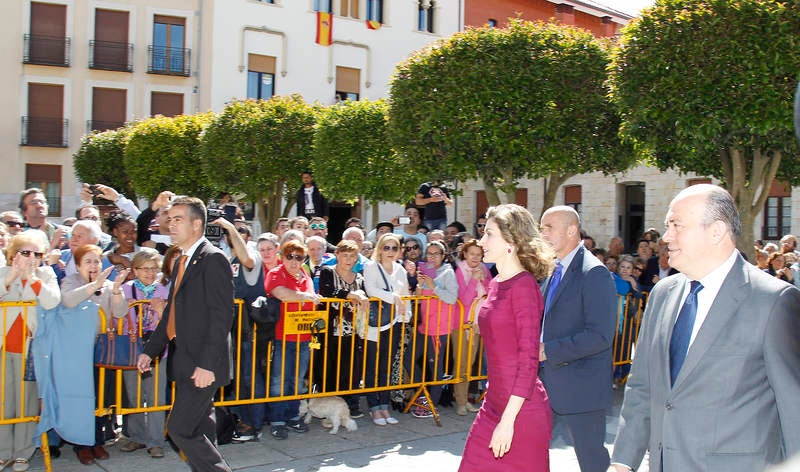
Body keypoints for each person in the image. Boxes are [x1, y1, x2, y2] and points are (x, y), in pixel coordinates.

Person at [610, 184, 800, 472]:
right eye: (667, 226)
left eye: (677, 225)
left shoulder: (773, 301)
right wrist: (623, 462)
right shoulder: (663, 294)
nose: (666, 237)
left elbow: (794, 410)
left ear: (716, 231)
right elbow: (642, 388)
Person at [136, 196, 234, 472]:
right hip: (185, 359)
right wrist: (150, 350)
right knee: (202, 427)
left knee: (179, 428)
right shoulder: (182, 260)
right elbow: (171, 315)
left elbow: (222, 316)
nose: (171, 224)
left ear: (196, 224)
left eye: (178, 219)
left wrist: (206, 364)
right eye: (170, 219)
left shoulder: (213, 259)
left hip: (203, 363)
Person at [459, 204, 553, 471]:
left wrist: (508, 421)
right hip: (494, 403)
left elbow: (528, 360)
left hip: (521, 411)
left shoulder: (524, 287)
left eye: (489, 234)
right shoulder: (498, 281)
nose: (481, 241)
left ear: (510, 241)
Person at [539, 205, 617, 472]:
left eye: (549, 227)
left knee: (592, 461)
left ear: (572, 230)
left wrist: (548, 350)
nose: (543, 233)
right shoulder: (551, 269)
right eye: (541, 227)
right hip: (544, 383)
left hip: (581, 388)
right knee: (530, 454)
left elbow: (601, 336)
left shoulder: (594, 272)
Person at [61, 244, 129, 465]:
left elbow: (120, 313)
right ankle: (82, 444)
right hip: (77, 350)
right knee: (82, 398)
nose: (93, 265)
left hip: (102, 349)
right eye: (88, 261)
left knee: (102, 396)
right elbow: (68, 300)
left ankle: (98, 440)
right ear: (78, 264)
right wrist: (93, 286)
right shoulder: (70, 281)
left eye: (97, 261)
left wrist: (116, 290)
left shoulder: (108, 285)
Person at [0, 231, 60, 472]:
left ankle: (23, 452)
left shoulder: (45, 274)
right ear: (13, 254)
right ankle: (3, 452)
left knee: (26, 402)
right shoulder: (4, 272)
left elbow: (52, 300)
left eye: (38, 253)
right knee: (4, 402)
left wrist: (32, 278)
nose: (32, 257)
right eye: (26, 252)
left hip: (31, 349)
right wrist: (13, 276)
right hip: (5, 347)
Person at [265, 240, 320, 440]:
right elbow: (282, 294)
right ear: (283, 256)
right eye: (290, 256)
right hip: (282, 337)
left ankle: (293, 415)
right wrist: (306, 296)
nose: (294, 261)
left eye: (299, 257)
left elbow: (312, 302)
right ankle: (277, 420)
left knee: (297, 381)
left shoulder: (305, 274)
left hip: (304, 337)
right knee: (279, 380)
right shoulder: (275, 273)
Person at [118, 249, 168, 459]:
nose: (149, 273)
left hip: (157, 349)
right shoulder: (125, 289)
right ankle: (136, 436)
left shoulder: (163, 290)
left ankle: (156, 441)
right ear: (135, 270)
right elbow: (116, 316)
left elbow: (170, 320)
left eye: (153, 269)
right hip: (132, 348)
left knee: (156, 395)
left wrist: (159, 310)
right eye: (144, 268)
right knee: (134, 394)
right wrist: (123, 306)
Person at [317, 240, 370, 417]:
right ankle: (328, 407)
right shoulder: (327, 271)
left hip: (353, 332)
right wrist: (349, 294)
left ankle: (350, 406)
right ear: (337, 255)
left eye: (352, 256)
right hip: (330, 332)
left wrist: (361, 295)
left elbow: (366, 297)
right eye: (345, 255)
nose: (348, 259)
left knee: (351, 370)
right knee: (328, 369)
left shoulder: (360, 278)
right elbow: (327, 291)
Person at [363, 233, 409, 426]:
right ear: (379, 248)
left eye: (394, 248)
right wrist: (394, 298)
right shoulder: (371, 267)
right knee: (372, 366)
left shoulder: (400, 270)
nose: (390, 252)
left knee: (387, 367)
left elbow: (406, 294)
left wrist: (407, 316)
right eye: (386, 247)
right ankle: (374, 407)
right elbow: (371, 290)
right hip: (375, 324)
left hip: (395, 323)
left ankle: (384, 405)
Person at [409, 240, 459, 419]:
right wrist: (420, 285)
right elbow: (418, 299)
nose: (431, 256)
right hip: (424, 326)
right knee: (409, 359)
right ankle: (422, 396)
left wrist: (433, 285)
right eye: (429, 253)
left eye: (436, 253)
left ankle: (432, 404)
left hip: (439, 328)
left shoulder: (447, 272)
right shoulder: (425, 271)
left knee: (435, 367)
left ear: (443, 256)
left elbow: (452, 298)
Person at [452, 239, 492, 416]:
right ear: (465, 254)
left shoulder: (484, 269)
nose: (475, 257)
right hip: (461, 323)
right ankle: (460, 401)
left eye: (478, 254)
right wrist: (473, 281)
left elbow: (492, 294)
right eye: (472, 254)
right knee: (460, 362)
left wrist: (484, 281)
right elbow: (463, 299)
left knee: (470, 362)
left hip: (477, 323)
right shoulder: (459, 271)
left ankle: (465, 399)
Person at [611, 255, 642, 385]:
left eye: (628, 268)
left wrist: (633, 282)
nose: (625, 270)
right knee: (612, 347)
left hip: (626, 321)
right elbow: (622, 289)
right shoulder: (613, 277)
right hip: (614, 317)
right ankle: (610, 376)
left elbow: (639, 294)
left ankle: (620, 375)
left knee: (623, 348)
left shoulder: (632, 280)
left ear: (632, 270)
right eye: (622, 266)